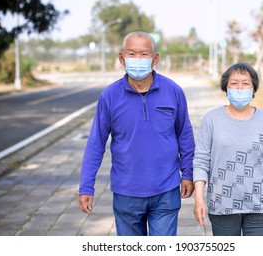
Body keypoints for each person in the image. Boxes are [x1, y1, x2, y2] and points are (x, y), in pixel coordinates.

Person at [78, 31, 195, 236]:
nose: (138, 60)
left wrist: (188, 174)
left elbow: (184, 135)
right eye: (131, 54)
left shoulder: (173, 91)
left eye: (144, 54)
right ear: (122, 58)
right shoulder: (110, 96)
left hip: (166, 190)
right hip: (126, 193)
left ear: (155, 59)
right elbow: (96, 143)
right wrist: (86, 187)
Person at [193, 62, 263, 236]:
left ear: (254, 88)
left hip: (260, 205)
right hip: (222, 205)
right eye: (234, 83)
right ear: (226, 88)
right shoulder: (211, 119)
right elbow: (201, 161)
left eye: (246, 83)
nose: (240, 88)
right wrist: (199, 199)